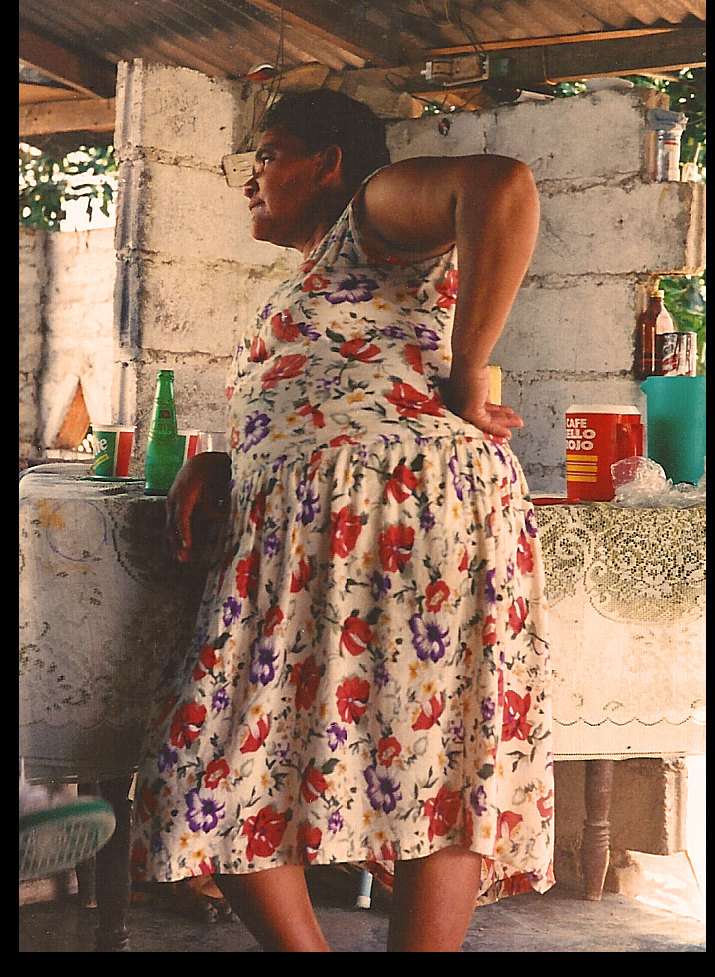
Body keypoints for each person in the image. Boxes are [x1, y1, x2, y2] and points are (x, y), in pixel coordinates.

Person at [130, 89, 554, 952]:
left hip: (409, 512)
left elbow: (503, 185)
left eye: (271, 152)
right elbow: (313, 400)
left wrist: (470, 369)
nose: (252, 175)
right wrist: (221, 461)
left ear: (329, 163)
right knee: (210, 760)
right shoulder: (318, 270)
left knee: (431, 758)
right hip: (313, 533)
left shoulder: (372, 209)